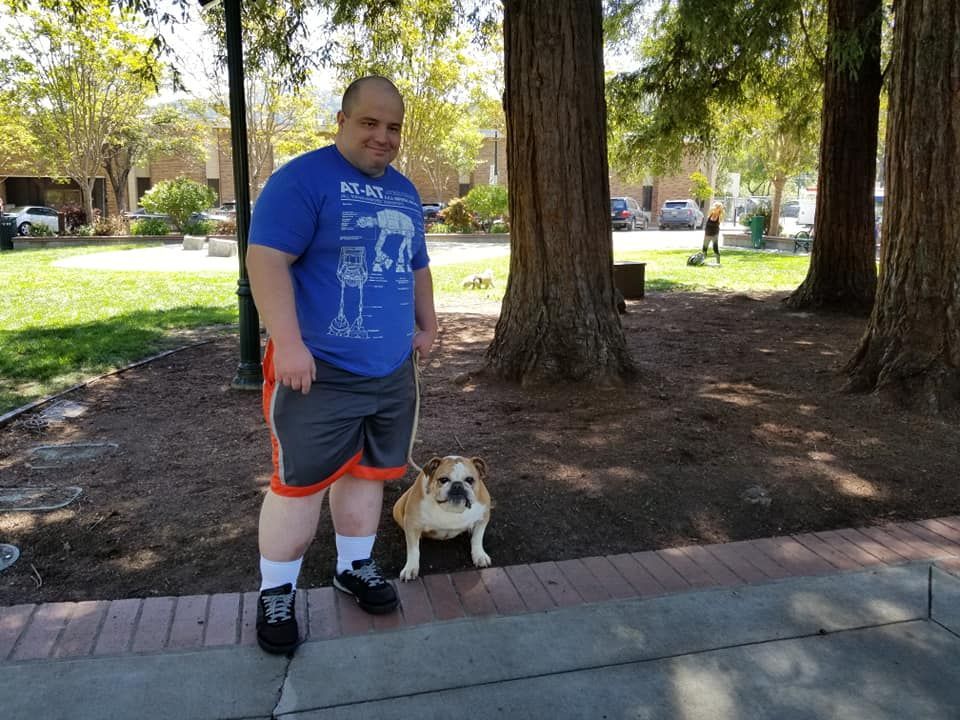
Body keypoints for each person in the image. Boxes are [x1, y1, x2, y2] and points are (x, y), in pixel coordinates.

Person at [245, 76, 438, 655]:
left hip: (389, 371)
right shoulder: (302, 180)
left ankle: (354, 567)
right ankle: (276, 591)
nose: (383, 137)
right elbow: (266, 260)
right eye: (370, 123)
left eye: (394, 127)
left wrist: (427, 323)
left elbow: (417, 264)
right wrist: (290, 343)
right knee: (297, 484)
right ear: (342, 120)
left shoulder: (404, 192)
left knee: (370, 474)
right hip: (317, 368)